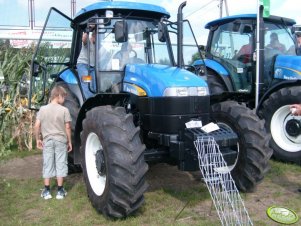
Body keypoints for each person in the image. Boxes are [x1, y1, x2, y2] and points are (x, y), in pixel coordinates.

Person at [34, 85, 72, 200]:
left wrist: (37, 139)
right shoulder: (64, 110)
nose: (64, 99)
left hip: (48, 140)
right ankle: (60, 191)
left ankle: (46, 191)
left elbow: (36, 126)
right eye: (63, 97)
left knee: (48, 163)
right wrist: (69, 141)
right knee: (61, 163)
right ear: (58, 95)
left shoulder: (42, 109)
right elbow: (68, 127)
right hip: (61, 140)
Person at [77, 27, 96, 99]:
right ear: (93, 35)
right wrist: (89, 29)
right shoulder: (88, 41)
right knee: (88, 83)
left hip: (92, 67)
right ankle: (90, 103)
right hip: (83, 65)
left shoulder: (97, 46)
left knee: (96, 85)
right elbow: (84, 39)